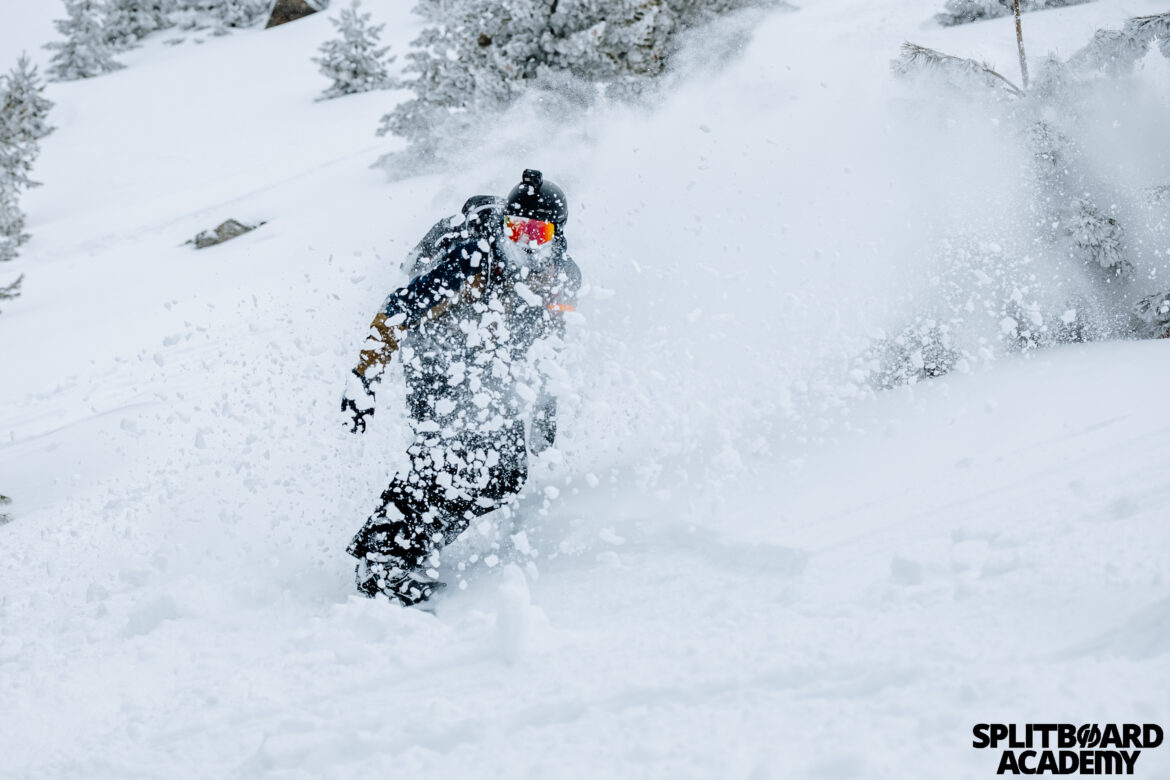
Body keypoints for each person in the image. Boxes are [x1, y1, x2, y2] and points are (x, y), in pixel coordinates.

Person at [341, 169, 581, 606]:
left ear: (557, 236)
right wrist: (364, 380)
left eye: (537, 231)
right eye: (516, 227)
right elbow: (399, 309)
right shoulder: (474, 258)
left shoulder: (563, 279)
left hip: (489, 367)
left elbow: (551, 346)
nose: (526, 240)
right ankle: (381, 558)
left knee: (505, 476)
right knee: (447, 452)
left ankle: (418, 539)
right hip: (434, 359)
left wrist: (544, 417)